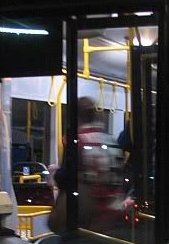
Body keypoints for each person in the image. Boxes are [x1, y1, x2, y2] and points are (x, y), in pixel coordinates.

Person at [53, 97, 124, 231]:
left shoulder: (77, 140)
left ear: (76, 116)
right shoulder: (112, 140)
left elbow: (65, 177)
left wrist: (55, 174)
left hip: (89, 218)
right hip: (115, 214)